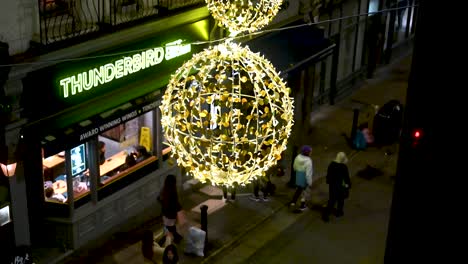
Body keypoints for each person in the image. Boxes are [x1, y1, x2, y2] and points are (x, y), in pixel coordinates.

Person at [322, 152, 351, 222]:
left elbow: (329, 175)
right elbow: (346, 177)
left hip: (333, 185)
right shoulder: (343, 166)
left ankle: (326, 215)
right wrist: (348, 185)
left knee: (332, 200)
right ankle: (339, 212)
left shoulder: (331, 164)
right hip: (341, 186)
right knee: (341, 200)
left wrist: (329, 182)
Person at [158, 175, 184, 243]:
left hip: (165, 213)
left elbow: (159, 198)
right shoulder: (172, 192)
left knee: (169, 226)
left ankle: (175, 237)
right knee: (169, 227)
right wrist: (180, 210)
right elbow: (175, 203)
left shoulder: (164, 190)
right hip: (170, 214)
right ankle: (174, 237)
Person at [289, 145, 313, 211]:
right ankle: (302, 205)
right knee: (304, 192)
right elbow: (308, 174)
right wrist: (309, 182)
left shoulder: (297, 157)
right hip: (304, 178)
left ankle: (293, 202)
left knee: (299, 189)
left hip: (298, 176)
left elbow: (294, 167)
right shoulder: (308, 161)